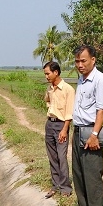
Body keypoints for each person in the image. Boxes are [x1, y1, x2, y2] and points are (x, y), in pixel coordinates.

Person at [68, 45, 103, 206]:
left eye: (83, 60)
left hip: (90, 132)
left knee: (92, 175)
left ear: (93, 60)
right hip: (78, 130)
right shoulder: (81, 79)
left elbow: (102, 110)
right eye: (77, 61)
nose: (80, 64)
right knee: (78, 174)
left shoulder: (100, 80)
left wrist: (94, 135)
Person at [43, 61, 75, 198]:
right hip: (50, 124)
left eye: (47, 73)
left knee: (61, 157)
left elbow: (70, 111)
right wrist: (51, 110)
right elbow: (47, 100)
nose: (46, 76)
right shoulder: (50, 89)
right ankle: (55, 185)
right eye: (45, 74)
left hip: (62, 125)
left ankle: (65, 187)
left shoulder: (68, 89)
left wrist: (64, 129)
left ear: (56, 72)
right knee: (52, 156)